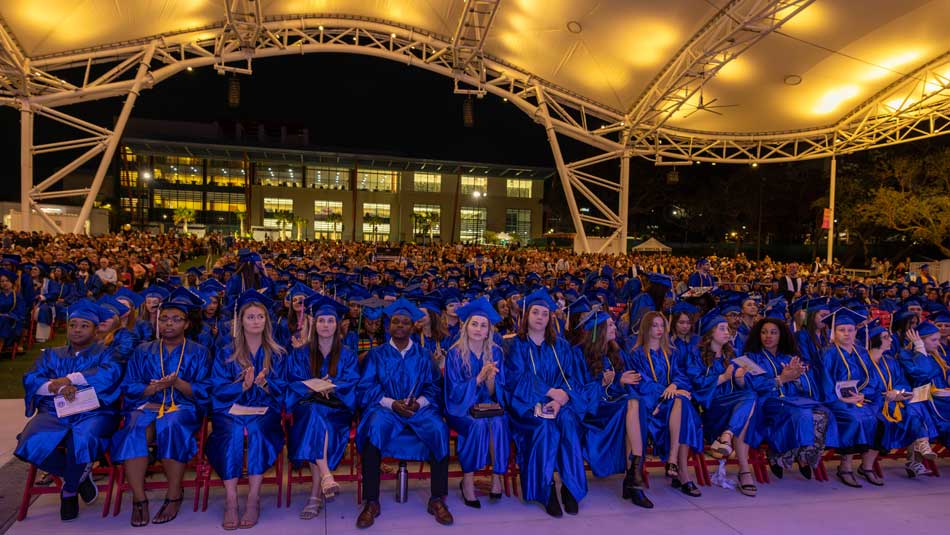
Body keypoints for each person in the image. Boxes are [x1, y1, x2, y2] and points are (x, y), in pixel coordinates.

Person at [110, 288, 211, 526]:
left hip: (183, 408)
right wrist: (151, 389)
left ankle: (174, 494)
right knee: (134, 427)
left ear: (186, 324)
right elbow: (130, 385)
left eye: (176, 320)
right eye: (164, 319)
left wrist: (177, 383)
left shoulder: (199, 352)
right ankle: (139, 498)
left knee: (171, 423)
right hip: (147, 405)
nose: (169, 324)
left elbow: (204, 390)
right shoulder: (143, 350)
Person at [15, 300, 122, 521]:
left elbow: (110, 374)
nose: (77, 330)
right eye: (73, 324)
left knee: (82, 438)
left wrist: (71, 379)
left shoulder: (107, 353)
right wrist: (56, 386)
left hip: (95, 413)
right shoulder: (51, 354)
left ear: (95, 329)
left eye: (84, 325)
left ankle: (69, 491)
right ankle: (77, 476)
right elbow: (32, 377)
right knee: (29, 441)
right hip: (55, 412)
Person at [355, 297, 453, 528]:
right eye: (396, 322)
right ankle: (371, 501)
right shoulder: (376, 355)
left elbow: (434, 386)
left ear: (413, 326)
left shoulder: (423, 355)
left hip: (418, 409)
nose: (400, 326)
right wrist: (392, 404)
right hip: (386, 408)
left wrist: (419, 403)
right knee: (374, 428)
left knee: (439, 429)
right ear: (388, 326)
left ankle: (437, 498)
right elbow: (366, 387)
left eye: (405, 322)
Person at [505, 288, 590, 517]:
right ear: (526, 315)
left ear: (550, 317)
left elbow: (572, 377)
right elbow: (516, 378)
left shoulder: (561, 346)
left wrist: (562, 399)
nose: (540, 317)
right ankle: (547, 488)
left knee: (569, 422)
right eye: (535, 312)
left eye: (544, 313)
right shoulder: (516, 346)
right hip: (528, 406)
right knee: (544, 427)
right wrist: (550, 392)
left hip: (560, 403)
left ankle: (570, 487)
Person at [209, 290, 287, 530]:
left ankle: (253, 497)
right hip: (230, 409)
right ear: (240, 321)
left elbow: (283, 389)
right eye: (250, 317)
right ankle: (231, 499)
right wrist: (240, 387)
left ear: (267, 321)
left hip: (264, 409)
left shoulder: (278, 354)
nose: (256, 321)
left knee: (257, 429)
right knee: (230, 432)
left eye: (260, 317)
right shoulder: (226, 352)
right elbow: (217, 388)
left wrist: (265, 384)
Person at [285, 295, 359, 520]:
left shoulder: (347, 355)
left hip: (336, 409)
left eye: (330, 321)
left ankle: (316, 494)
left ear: (337, 325)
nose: (326, 325)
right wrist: (313, 387)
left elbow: (353, 383)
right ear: (313, 324)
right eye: (321, 321)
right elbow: (292, 381)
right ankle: (325, 478)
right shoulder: (300, 353)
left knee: (315, 420)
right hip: (308, 406)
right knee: (313, 414)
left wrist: (332, 387)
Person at [573, 309, 653, 508]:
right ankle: (633, 478)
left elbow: (628, 383)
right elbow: (577, 391)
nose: (614, 327)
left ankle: (633, 476)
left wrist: (617, 381)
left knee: (634, 404)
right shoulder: (577, 354)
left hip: (615, 407)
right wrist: (607, 381)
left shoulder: (616, 352)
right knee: (631, 408)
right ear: (597, 330)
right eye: (609, 325)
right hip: (593, 413)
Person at [743, 318, 837, 480]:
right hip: (766, 404)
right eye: (764, 332)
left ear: (781, 336)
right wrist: (781, 379)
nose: (768, 336)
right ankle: (780, 454)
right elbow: (753, 386)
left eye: (773, 333)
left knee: (822, 414)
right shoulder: (750, 359)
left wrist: (798, 377)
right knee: (799, 415)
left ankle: (803, 453)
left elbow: (805, 388)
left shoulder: (788, 358)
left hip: (791, 401)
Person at [681, 311, 759, 496]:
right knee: (748, 407)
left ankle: (727, 435)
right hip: (711, 411)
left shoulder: (736, 356)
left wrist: (740, 379)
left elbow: (744, 387)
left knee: (750, 396)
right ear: (710, 333)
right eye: (722, 328)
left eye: (728, 329)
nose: (727, 332)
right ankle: (744, 470)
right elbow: (698, 387)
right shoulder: (695, 355)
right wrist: (724, 377)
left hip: (734, 409)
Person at [626, 311, 703, 497]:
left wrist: (675, 385)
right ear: (645, 328)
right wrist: (668, 391)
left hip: (671, 405)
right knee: (684, 407)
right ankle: (679, 470)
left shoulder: (671, 352)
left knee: (683, 405)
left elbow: (680, 375)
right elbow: (641, 382)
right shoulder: (636, 354)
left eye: (662, 325)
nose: (660, 329)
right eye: (655, 325)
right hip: (650, 406)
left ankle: (674, 461)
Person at [444, 297, 509, 508]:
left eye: (483, 325)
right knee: (477, 424)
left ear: (489, 329)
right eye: (474, 324)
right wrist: (479, 378)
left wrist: (490, 381)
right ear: (465, 325)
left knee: (499, 422)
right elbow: (454, 393)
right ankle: (468, 481)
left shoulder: (496, 351)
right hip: (460, 409)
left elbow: (495, 393)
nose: (479, 329)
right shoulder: (454, 353)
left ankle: (497, 478)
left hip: (486, 406)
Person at [817, 308, 884, 488]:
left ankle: (867, 466)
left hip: (860, 398)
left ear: (856, 331)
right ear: (834, 332)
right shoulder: (828, 353)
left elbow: (873, 378)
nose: (847, 333)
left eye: (850, 329)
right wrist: (841, 400)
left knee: (881, 419)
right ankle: (845, 466)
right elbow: (825, 382)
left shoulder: (862, 352)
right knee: (853, 419)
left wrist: (864, 394)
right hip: (837, 401)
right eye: (842, 330)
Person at [865, 322, 938, 478]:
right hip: (876, 404)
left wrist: (898, 392)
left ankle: (919, 449)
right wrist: (885, 396)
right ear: (874, 340)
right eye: (885, 337)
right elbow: (863, 387)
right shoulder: (863, 362)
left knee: (916, 408)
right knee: (916, 410)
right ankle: (920, 447)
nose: (891, 340)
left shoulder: (890, 361)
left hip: (898, 401)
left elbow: (901, 382)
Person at [897, 322, 950, 459]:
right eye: (933, 340)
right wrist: (919, 347)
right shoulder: (906, 355)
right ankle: (921, 446)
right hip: (922, 398)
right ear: (920, 339)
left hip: (941, 400)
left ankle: (920, 450)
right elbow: (922, 374)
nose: (938, 343)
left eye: (938, 339)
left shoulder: (937, 356)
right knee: (916, 407)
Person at [0, 268, 26, 350]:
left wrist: (8, 315)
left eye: (7, 281)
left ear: (12, 282)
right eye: (2, 281)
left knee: (4, 319)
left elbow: (21, 313)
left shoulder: (17, 296)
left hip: (12, 323)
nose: (5, 283)